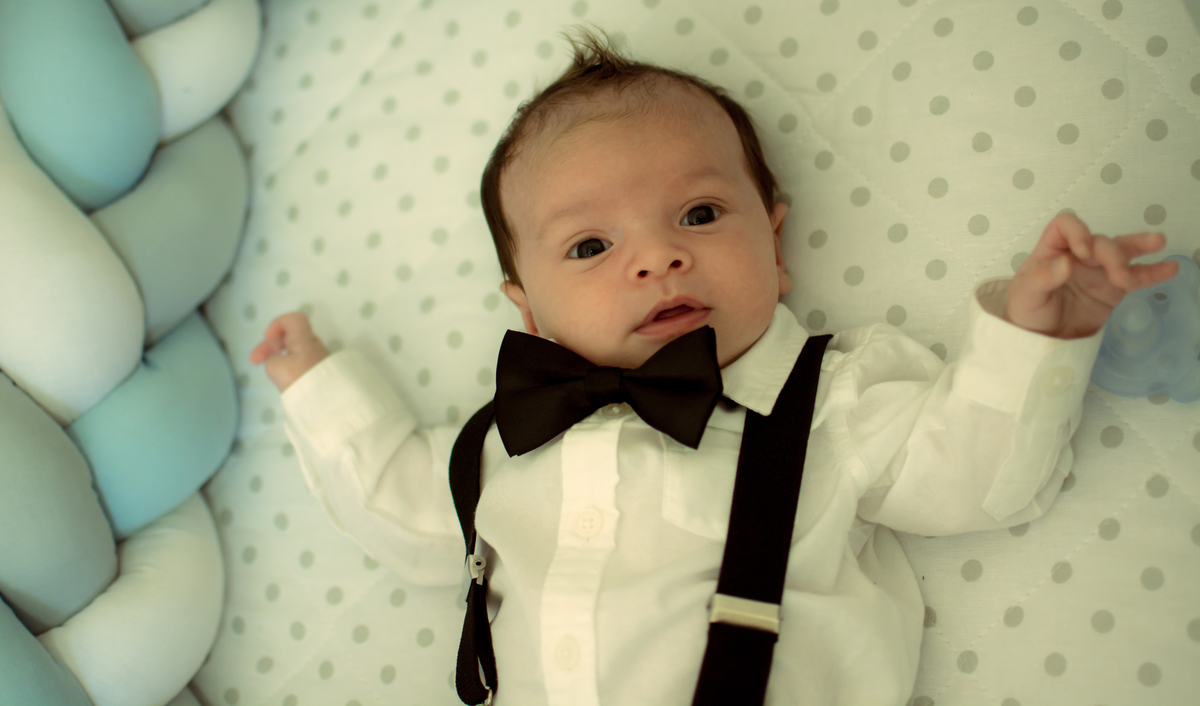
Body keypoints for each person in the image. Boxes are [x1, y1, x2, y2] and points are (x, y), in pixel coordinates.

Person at [249, 30, 1179, 706]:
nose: (657, 258)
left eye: (698, 215)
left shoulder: (833, 398)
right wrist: (316, 385)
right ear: (527, 312)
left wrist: (1033, 338)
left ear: (775, 246)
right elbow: (402, 506)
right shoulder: (502, 444)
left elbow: (975, 480)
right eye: (590, 246)